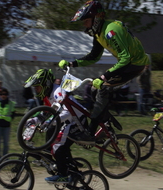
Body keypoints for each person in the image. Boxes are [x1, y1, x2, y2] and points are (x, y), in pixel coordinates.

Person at [58, 1, 150, 143]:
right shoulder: (99, 33)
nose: (84, 25)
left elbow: (126, 59)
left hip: (135, 64)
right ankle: (105, 122)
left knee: (103, 89)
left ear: (96, 19)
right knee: (93, 89)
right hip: (128, 62)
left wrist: (104, 76)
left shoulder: (110, 32)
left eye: (86, 21)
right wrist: (72, 63)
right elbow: (94, 56)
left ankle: (90, 132)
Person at [24, 69, 89, 183]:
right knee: (57, 146)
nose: (36, 90)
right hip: (70, 121)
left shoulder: (57, 92)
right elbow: (47, 112)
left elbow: (67, 111)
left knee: (58, 147)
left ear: (46, 84)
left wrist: (50, 122)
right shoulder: (48, 94)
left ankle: (63, 175)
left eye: (37, 87)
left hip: (79, 121)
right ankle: (71, 171)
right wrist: (33, 120)